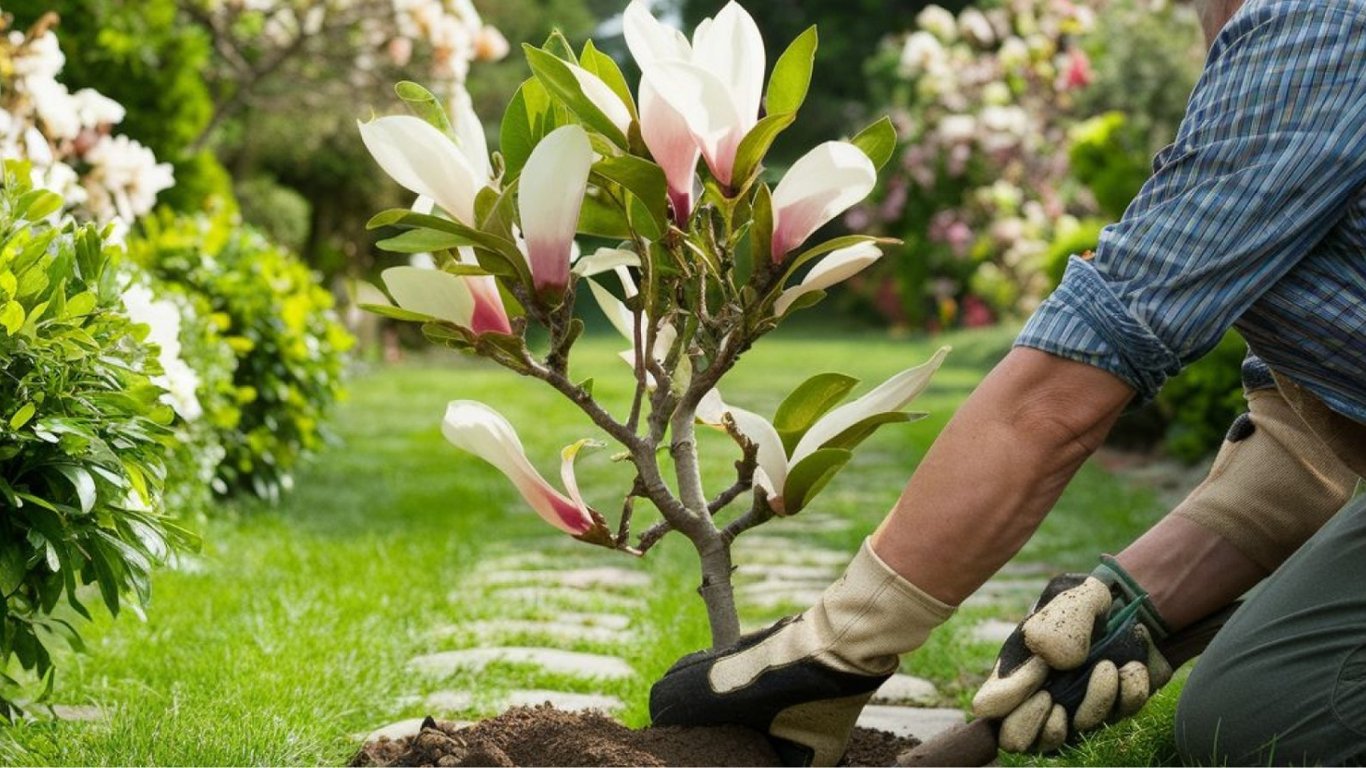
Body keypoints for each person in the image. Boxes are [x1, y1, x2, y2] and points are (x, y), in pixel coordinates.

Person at [647, 0, 1366, 763]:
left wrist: (841, 639)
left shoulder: (1325, 24)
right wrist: (1134, 608)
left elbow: (1074, 376)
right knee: (1264, 703)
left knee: (1288, 721)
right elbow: (1304, 437)